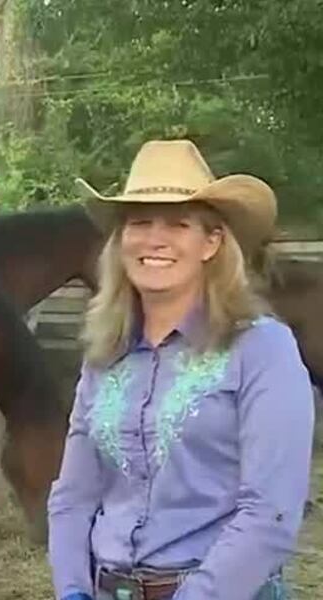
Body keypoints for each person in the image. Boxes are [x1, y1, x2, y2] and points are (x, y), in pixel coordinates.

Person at [47, 140, 315, 600]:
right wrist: (73, 588)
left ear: (212, 241)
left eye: (178, 223)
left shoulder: (262, 348)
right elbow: (73, 495)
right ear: (121, 240)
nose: (155, 239)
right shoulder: (104, 355)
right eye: (139, 222)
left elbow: (269, 512)